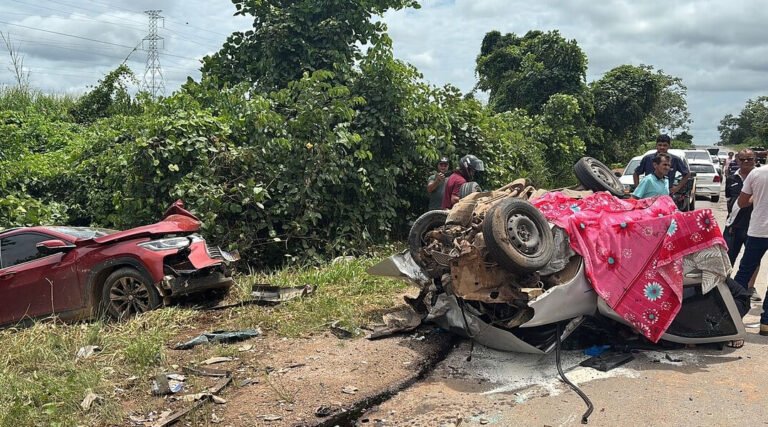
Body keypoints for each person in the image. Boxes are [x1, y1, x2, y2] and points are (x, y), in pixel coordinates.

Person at [732, 159, 768, 335]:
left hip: (758, 229)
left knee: (744, 273)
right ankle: (766, 323)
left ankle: (732, 316)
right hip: (758, 230)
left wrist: (757, 197)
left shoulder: (757, 174)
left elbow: (741, 202)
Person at [724, 149, 761, 301]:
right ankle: (725, 287)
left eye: (750, 159)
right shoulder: (732, 178)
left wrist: (746, 199)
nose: (746, 162)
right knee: (726, 258)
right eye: (743, 159)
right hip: (734, 225)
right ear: (737, 160)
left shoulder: (761, 177)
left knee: (753, 259)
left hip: (754, 225)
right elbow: (732, 201)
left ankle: (750, 288)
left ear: (755, 160)